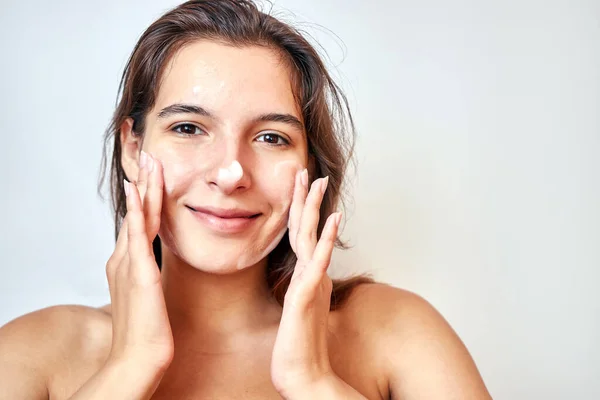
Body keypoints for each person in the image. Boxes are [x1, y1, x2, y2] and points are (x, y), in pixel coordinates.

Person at [0, 1, 492, 399]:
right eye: (188, 128)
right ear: (133, 148)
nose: (231, 173)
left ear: (310, 164)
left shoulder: (395, 333)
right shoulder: (33, 353)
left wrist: (313, 382)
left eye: (272, 137)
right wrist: (132, 364)